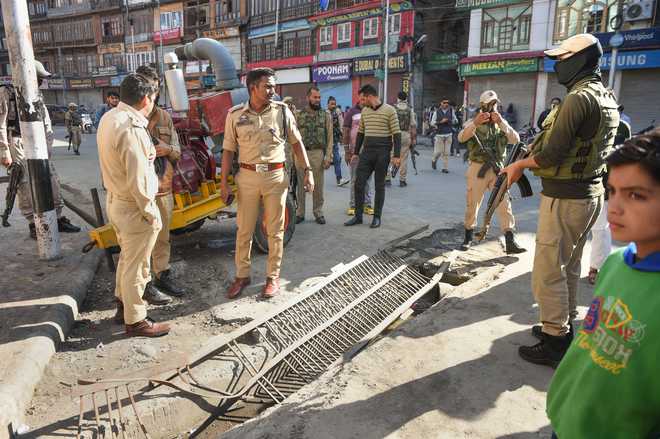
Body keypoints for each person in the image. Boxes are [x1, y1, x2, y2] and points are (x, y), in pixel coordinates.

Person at [501, 33, 620, 366]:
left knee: (548, 271)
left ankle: (555, 341)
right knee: (568, 266)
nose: (557, 66)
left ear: (579, 60)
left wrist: (519, 165)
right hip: (589, 195)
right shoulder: (604, 94)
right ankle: (563, 326)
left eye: (562, 59)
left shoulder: (577, 99)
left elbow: (552, 155)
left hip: (566, 200)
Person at [546, 129, 660, 439]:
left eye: (636, 195)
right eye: (612, 191)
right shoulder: (614, 264)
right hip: (566, 420)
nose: (614, 207)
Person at [220, 67, 314, 299]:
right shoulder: (234, 115)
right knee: (244, 230)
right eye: (268, 86)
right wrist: (224, 183)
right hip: (247, 178)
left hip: (275, 177)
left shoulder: (282, 112)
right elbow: (228, 151)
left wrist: (308, 171)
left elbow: (297, 143)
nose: (273, 90)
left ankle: (273, 277)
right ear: (253, 88)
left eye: (273, 86)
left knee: (275, 230)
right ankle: (242, 276)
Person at [97, 73, 170, 337]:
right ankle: (136, 319)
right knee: (138, 266)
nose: (153, 103)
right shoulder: (132, 127)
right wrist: (151, 214)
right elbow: (139, 178)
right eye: (152, 98)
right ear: (144, 99)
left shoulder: (110, 117)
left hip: (117, 201)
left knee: (127, 260)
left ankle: (123, 306)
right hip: (134, 206)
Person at [0, 60, 80, 239]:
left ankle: (57, 219)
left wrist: (48, 145)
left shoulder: (36, 95)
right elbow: (1, 123)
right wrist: (4, 150)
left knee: (52, 180)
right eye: (38, 78)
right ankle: (33, 224)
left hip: (39, 145)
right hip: (18, 141)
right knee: (25, 184)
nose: (40, 82)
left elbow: (46, 123)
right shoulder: (6, 93)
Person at [136, 64, 185, 303]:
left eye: (154, 88)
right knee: (140, 241)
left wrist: (167, 149)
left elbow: (178, 151)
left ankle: (162, 276)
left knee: (162, 237)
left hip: (163, 188)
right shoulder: (127, 117)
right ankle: (140, 285)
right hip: (138, 192)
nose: (150, 92)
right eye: (146, 86)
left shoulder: (165, 117)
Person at [458, 90, 525, 254]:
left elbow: (516, 140)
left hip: (498, 168)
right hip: (478, 168)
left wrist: (501, 122)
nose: (494, 107)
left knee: (504, 204)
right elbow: (461, 138)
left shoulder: (501, 123)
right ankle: (468, 237)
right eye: (491, 104)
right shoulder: (473, 121)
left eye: (496, 104)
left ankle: (510, 240)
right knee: (473, 203)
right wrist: (475, 123)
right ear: (484, 106)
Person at [344, 84, 401, 229]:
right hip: (367, 152)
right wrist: (356, 153)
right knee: (358, 183)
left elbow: (396, 133)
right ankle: (358, 216)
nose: (362, 102)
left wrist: (396, 155)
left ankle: (377, 217)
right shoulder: (365, 111)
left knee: (379, 185)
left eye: (363, 99)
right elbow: (361, 133)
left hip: (383, 153)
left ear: (370, 96)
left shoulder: (390, 110)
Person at [295, 86, 333, 225]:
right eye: (314, 97)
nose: (317, 100)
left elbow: (330, 137)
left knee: (317, 185)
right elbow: (293, 138)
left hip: (317, 153)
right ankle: (300, 213)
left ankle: (318, 212)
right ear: (308, 98)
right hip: (301, 153)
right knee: (300, 185)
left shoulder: (326, 115)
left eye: (319, 97)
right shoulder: (298, 115)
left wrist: (328, 156)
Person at [343, 97, 374, 216]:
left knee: (367, 179)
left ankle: (367, 204)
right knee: (354, 179)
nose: (364, 101)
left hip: (369, 151)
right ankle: (353, 205)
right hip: (354, 152)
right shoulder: (351, 112)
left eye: (366, 99)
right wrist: (347, 151)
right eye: (362, 99)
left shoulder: (371, 112)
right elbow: (345, 132)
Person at [393, 91, 417, 187]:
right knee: (404, 158)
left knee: (391, 155)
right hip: (406, 135)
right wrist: (413, 138)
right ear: (406, 98)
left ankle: (387, 177)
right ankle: (402, 180)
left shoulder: (393, 109)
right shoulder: (410, 109)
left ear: (398, 98)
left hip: (394, 134)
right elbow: (413, 125)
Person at [430, 98, 457, 173]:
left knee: (446, 152)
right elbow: (432, 122)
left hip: (449, 133)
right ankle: (434, 160)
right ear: (441, 103)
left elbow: (455, 120)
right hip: (439, 134)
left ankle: (445, 168)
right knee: (439, 151)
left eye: (447, 103)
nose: (446, 104)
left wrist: (453, 121)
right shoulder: (436, 112)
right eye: (444, 102)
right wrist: (440, 122)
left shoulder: (451, 111)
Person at [327, 96, 347, 186]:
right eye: (332, 104)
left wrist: (342, 136)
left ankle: (339, 179)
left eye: (334, 104)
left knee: (337, 159)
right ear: (327, 104)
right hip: (325, 141)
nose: (333, 105)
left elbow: (341, 124)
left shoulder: (337, 112)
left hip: (334, 141)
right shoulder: (324, 113)